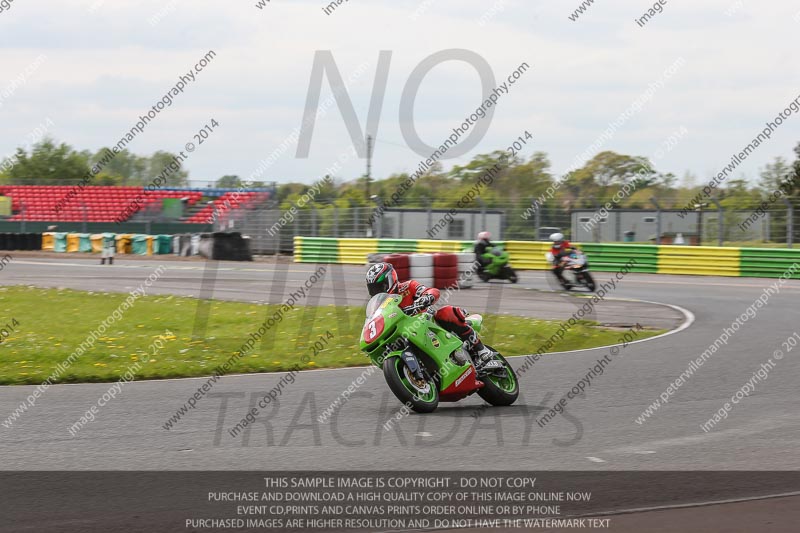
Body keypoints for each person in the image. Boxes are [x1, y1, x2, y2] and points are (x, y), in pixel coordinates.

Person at [366, 262, 494, 368]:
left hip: (426, 322)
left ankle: (481, 350)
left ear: (391, 279)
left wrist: (426, 298)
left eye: (381, 286)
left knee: (444, 313)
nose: (378, 291)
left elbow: (431, 291)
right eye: (374, 289)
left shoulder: (408, 287)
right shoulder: (379, 306)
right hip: (406, 333)